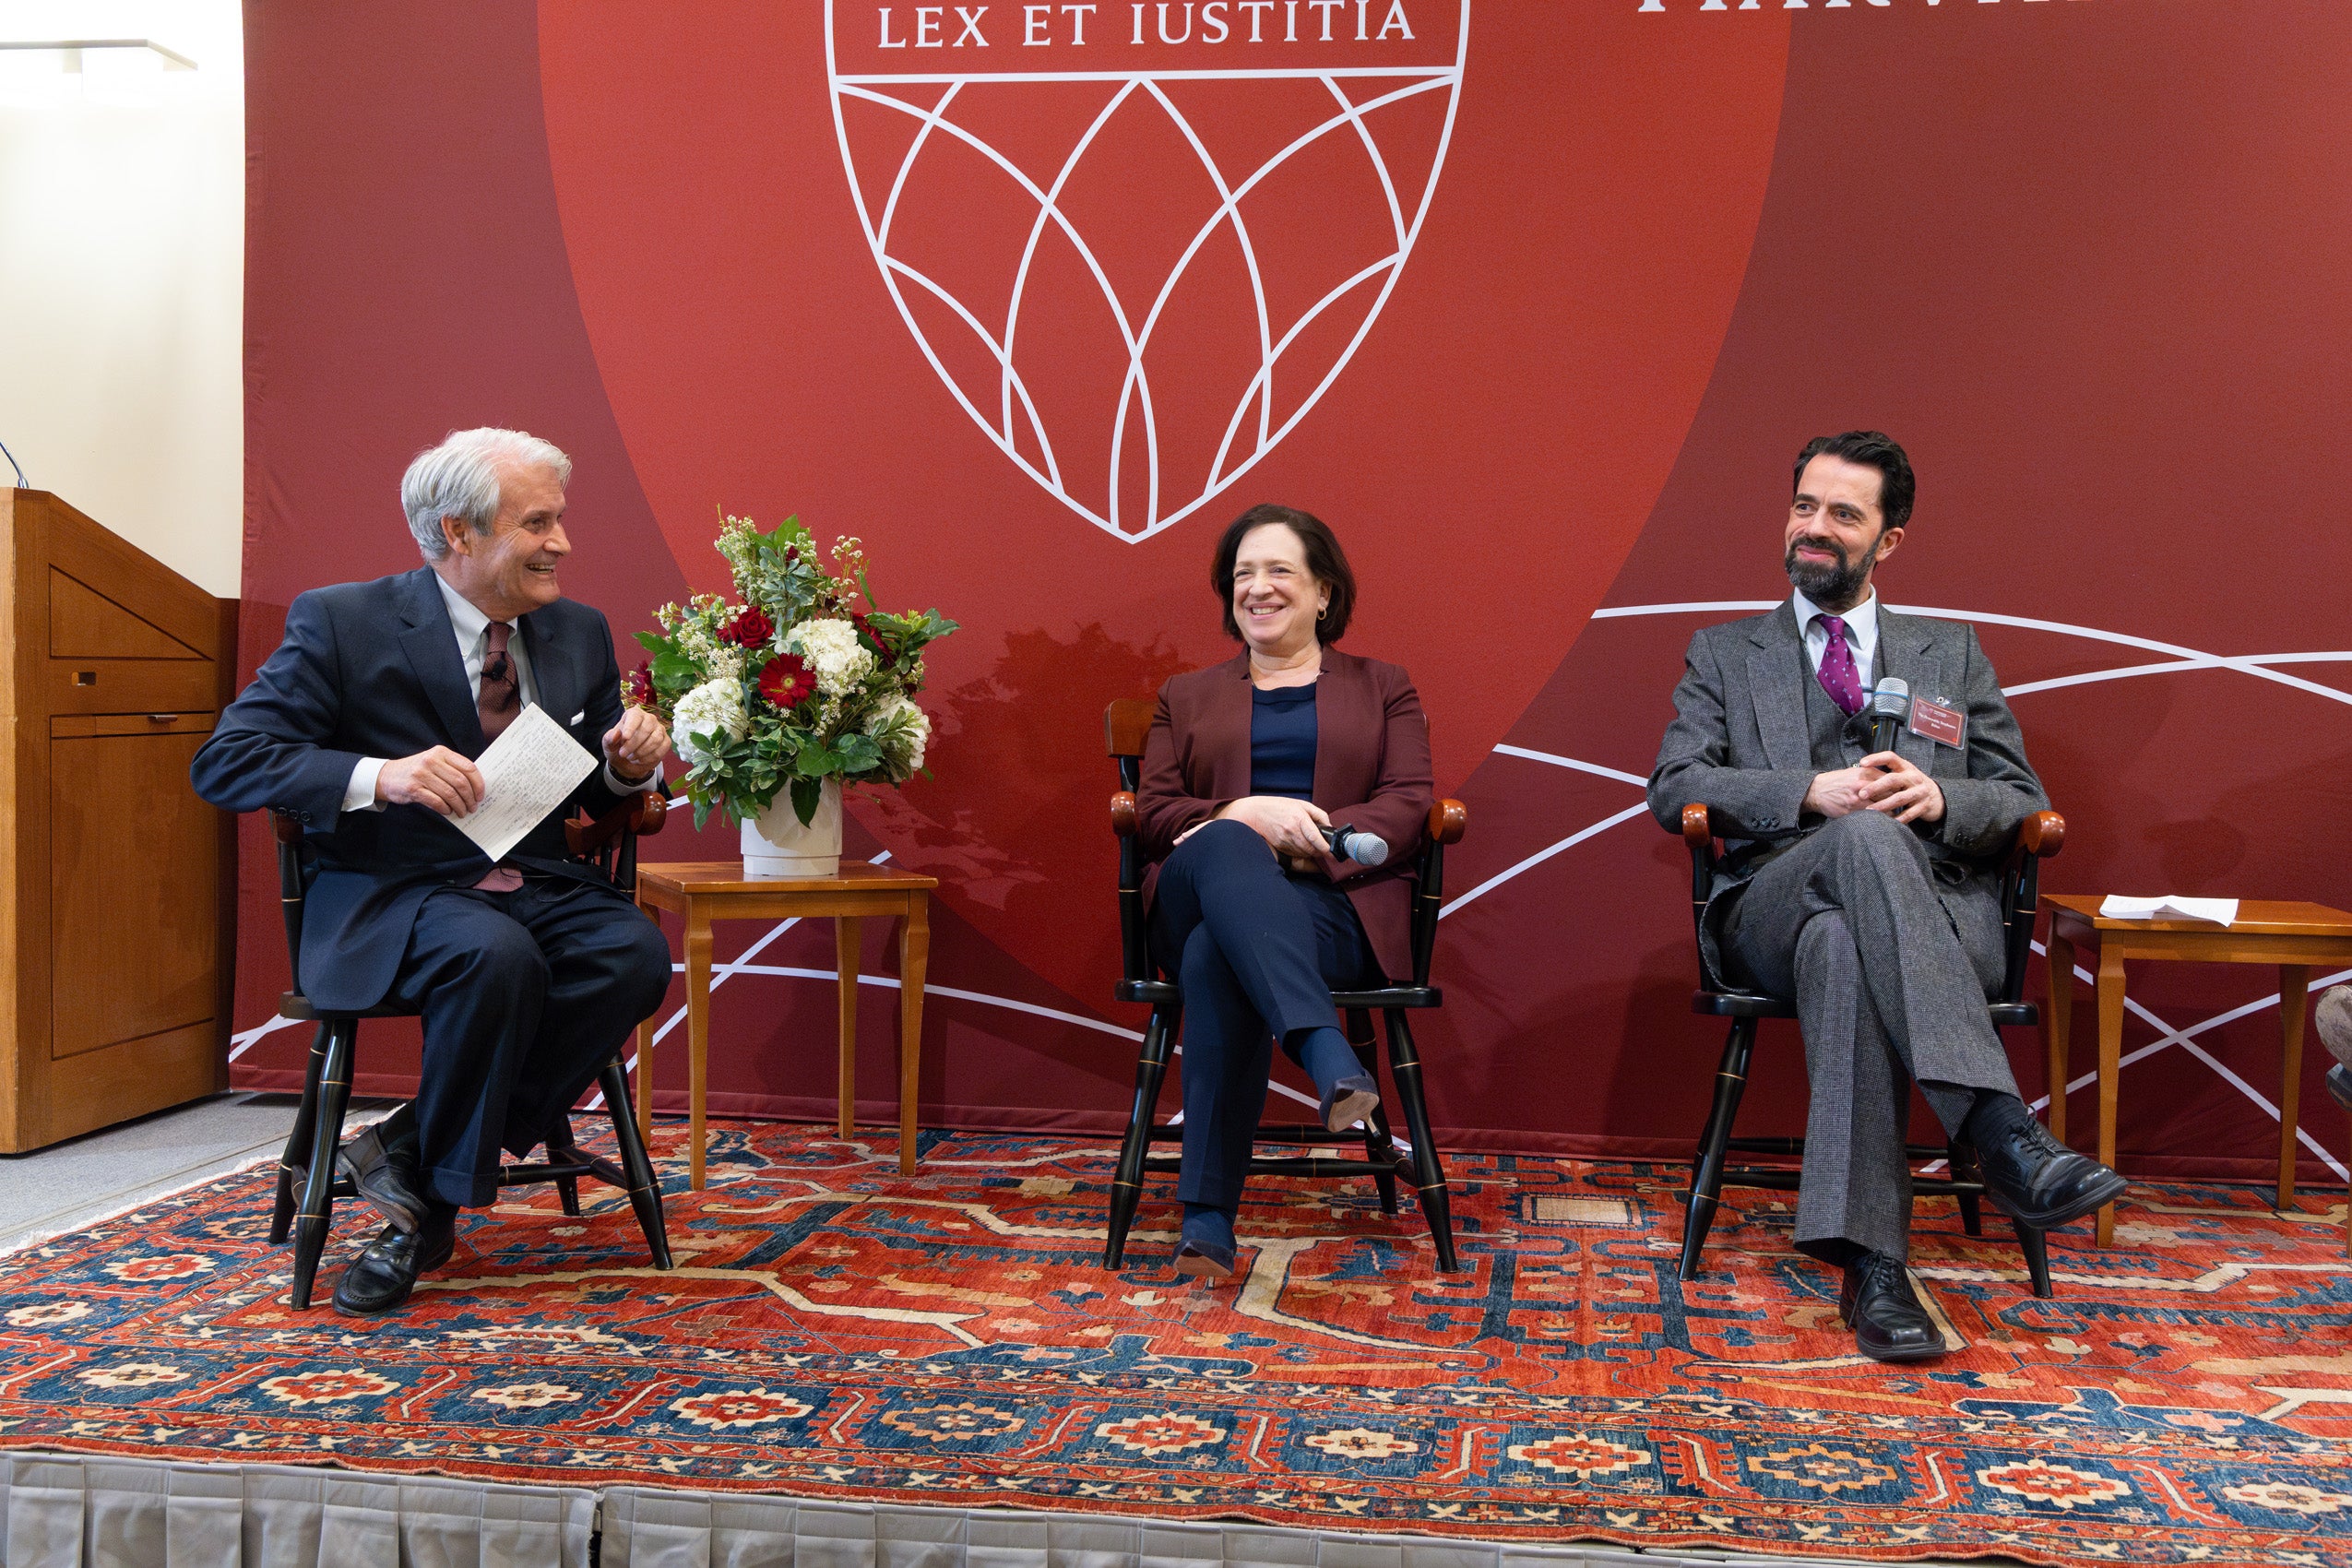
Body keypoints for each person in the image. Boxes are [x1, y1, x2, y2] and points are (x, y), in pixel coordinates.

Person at [1647, 431, 2126, 1363]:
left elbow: (2022, 799)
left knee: (1845, 947)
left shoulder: (1950, 653)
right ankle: (1998, 1126)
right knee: (1851, 851)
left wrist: (1944, 796)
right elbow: (1674, 783)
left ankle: (1874, 1265)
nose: (1813, 530)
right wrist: (1804, 791)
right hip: (1769, 908)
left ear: (1890, 539)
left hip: (1935, 915)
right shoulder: (1725, 650)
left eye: (1843, 514)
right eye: (1804, 507)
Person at [191, 427, 675, 1316]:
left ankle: (413, 1158)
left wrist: (631, 763)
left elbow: (605, 786)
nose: (562, 542)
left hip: (534, 882)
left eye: (560, 519)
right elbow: (226, 761)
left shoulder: (577, 630)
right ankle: (427, 1214)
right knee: (494, 957)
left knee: (634, 955)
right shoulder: (342, 620)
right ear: (458, 533)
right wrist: (385, 776)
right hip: (393, 892)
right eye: (539, 522)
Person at [1133, 504, 1432, 1280]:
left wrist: (1310, 843)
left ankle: (1205, 1220)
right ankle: (1322, 1048)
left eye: (1278, 572)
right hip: (1195, 888)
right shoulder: (1186, 695)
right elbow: (1157, 812)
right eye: (1242, 575)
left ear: (1325, 592)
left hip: (1329, 908)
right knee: (1228, 848)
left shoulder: (1383, 687)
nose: (1257, 589)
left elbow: (1408, 800)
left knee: (1217, 955)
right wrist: (1244, 815)